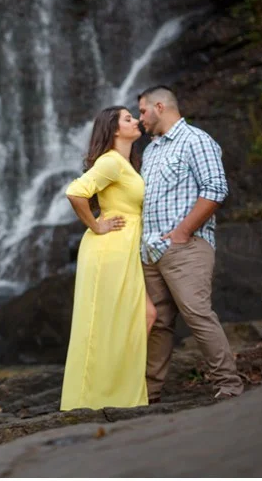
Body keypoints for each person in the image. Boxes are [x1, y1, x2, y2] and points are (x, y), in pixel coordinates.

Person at [137, 85, 244, 402]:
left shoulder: (196, 140)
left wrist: (183, 232)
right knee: (159, 323)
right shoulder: (153, 150)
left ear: (160, 106)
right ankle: (149, 393)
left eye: (142, 111)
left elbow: (215, 188)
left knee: (198, 314)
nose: (139, 118)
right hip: (151, 251)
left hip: (186, 248)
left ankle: (229, 385)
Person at [60, 106, 157, 411]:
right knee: (108, 322)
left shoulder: (127, 164)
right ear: (114, 129)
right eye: (128, 118)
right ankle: (95, 397)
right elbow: (76, 192)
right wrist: (96, 224)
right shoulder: (111, 162)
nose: (135, 121)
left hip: (124, 249)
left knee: (145, 316)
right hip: (109, 250)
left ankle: (117, 389)